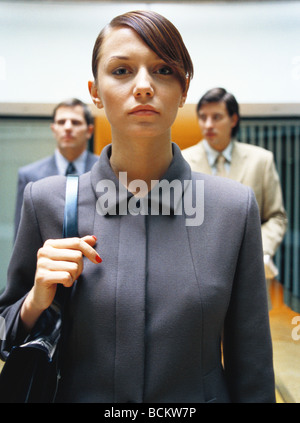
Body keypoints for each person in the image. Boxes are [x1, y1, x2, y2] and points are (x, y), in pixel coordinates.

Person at [0, 11, 275, 403]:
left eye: (163, 70)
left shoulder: (232, 208)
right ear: (95, 92)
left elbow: (253, 368)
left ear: (183, 90)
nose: (144, 86)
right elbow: (6, 329)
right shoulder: (46, 201)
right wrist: (33, 301)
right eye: (122, 70)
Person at [182, 87, 287, 279]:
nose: (208, 125)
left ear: (233, 120)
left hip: (250, 270)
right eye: (203, 117)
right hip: (198, 273)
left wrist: (260, 250)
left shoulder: (261, 161)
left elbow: (276, 217)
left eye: (216, 117)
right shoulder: (182, 162)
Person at [14, 98, 98, 238]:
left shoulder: (107, 170)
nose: (68, 127)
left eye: (75, 122)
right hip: (46, 258)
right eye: (61, 122)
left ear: (89, 131)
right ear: (54, 129)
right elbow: (21, 237)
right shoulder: (29, 176)